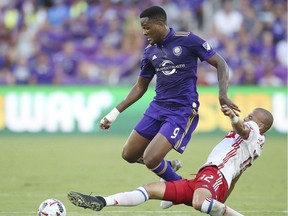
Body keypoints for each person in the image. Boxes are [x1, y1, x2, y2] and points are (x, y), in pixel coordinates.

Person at [99, 5, 240, 182]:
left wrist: (222, 94)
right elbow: (140, 87)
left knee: (151, 158)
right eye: (142, 28)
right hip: (158, 107)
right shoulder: (149, 52)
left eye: (147, 27)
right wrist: (114, 113)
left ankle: (180, 187)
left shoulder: (188, 40)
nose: (144, 32)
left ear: (160, 24)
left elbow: (221, 63)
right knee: (129, 154)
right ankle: (167, 167)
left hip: (182, 109)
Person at [68, 105, 274, 215]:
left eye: (250, 116)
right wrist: (220, 202)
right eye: (246, 116)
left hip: (215, 175)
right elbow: (235, 178)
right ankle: (102, 201)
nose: (246, 118)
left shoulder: (254, 132)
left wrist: (234, 118)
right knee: (149, 189)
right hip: (207, 178)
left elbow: (243, 128)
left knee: (199, 203)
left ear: (261, 125)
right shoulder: (254, 147)